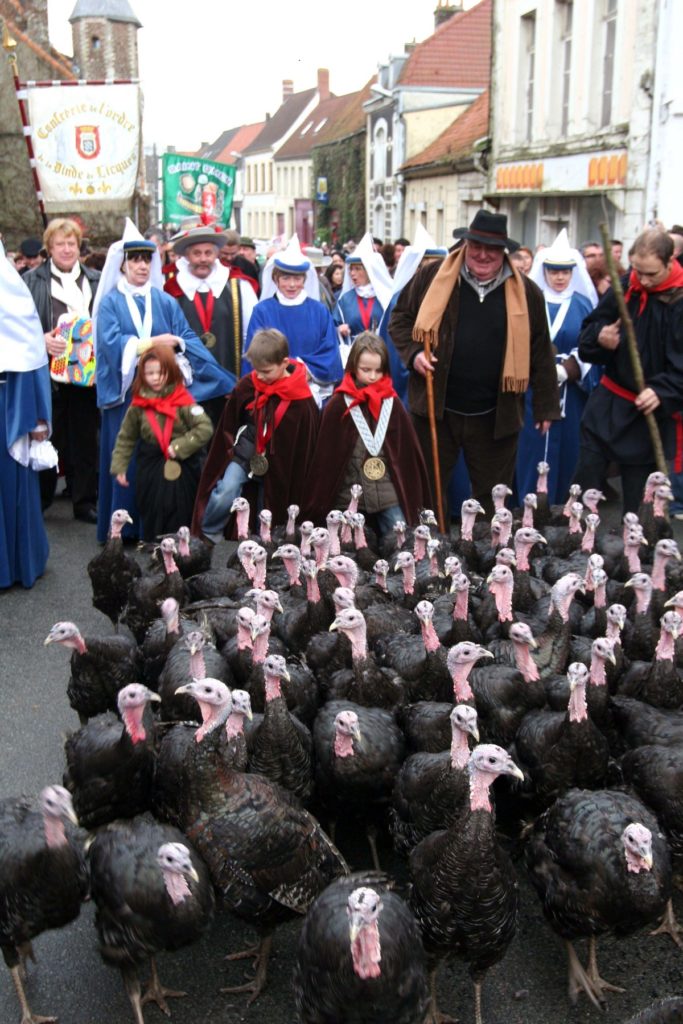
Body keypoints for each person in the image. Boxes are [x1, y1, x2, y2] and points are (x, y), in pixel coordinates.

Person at [389, 210, 560, 517]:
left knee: (493, 496)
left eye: (491, 249)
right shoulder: (433, 277)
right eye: (476, 246)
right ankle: (426, 554)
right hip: (435, 410)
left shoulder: (527, 292)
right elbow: (400, 319)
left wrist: (547, 403)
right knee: (427, 492)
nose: (482, 255)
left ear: (503, 252)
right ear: (465, 244)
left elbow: (540, 349)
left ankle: (484, 556)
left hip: (496, 414)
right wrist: (415, 353)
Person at [94, 227, 234, 544]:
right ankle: (122, 528)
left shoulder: (164, 301)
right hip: (127, 395)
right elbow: (110, 345)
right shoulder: (110, 303)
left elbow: (186, 338)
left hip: (162, 396)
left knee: (157, 458)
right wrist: (152, 343)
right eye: (135, 260)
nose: (142, 266)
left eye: (147, 260)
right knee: (128, 457)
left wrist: (220, 376)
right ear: (123, 264)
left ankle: (153, 524)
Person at [573, 227, 683, 513]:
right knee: (585, 489)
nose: (643, 281)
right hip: (606, 406)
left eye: (651, 274)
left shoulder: (679, 301)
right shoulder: (625, 286)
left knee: (638, 506)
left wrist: (662, 390)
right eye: (637, 271)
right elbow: (588, 332)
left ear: (670, 263)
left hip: (647, 416)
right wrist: (600, 337)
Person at [192, 328, 319, 542]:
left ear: (283, 362)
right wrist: (233, 447)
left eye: (266, 371)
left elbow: (306, 441)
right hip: (246, 452)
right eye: (256, 369)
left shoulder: (301, 397)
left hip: (280, 462)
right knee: (226, 489)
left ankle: (264, 541)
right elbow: (229, 422)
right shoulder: (249, 385)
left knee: (267, 506)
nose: (259, 375)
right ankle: (209, 532)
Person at [304, 332, 432, 534]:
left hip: (387, 491)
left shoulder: (392, 403)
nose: (372, 376)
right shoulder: (338, 404)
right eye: (366, 370)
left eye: (378, 370)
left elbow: (407, 457)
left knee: (402, 540)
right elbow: (325, 461)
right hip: (348, 493)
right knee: (343, 549)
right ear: (354, 367)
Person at [24, 217, 100, 522]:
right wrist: (39, 339)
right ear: (49, 248)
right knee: (46, 434)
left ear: (78, 246)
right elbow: (18, 325)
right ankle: (42, 499)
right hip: (47, 372)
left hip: (87, 374)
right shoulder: (32, 281)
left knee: (85, 438)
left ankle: (84, 501)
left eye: (71, 243)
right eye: (60, 244)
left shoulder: (95, 279)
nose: (66, 249)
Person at [515, 230, 599, 504]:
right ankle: (527, 507)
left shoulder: (583, 305)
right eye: (554, 271)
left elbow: (591, 345)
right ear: (545, 271)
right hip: (532, 388)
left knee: (568, 449)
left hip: (569, 392)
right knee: (531, 446)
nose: (560, 277)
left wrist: (570, 368)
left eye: (565, 272)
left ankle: (562, 508)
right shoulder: (529, 300)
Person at [110, 345, 213, 541]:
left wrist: (180, 446)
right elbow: (126, 437)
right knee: (151, 504)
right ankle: (154, 545)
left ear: (171, 372)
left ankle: (181, 547)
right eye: (150, 373)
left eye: (161, 372)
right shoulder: (138, 405)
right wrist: (120, 467)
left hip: (181, 463)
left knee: (179, 506)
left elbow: (204, 428)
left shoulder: (182, 400)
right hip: (150, 462)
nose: (155, 378)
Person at [164, 222, 257, 419]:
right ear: (187, 256)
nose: (203, 259)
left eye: (208, 253)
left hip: (229, 386)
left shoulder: (239, 287)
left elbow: (253, 335)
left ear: (217, 255)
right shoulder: (170, 290)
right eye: (196, 253)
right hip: (186, 388)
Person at [0, 242, 52, 588]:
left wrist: (37, 419)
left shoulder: (13, 301)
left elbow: (31, 359)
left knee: (10, 488)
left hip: (8, 407)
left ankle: (14, 565)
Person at [244, 235, 343, 406]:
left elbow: (330, 352)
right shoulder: (262, 311)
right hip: (272, 394)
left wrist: (302, 371)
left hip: (311, 392)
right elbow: (254, 354)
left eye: (297, 279)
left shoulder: (319, 311)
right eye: (285, 278)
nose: (291, 285)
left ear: (305, 280)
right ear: (275, 279)